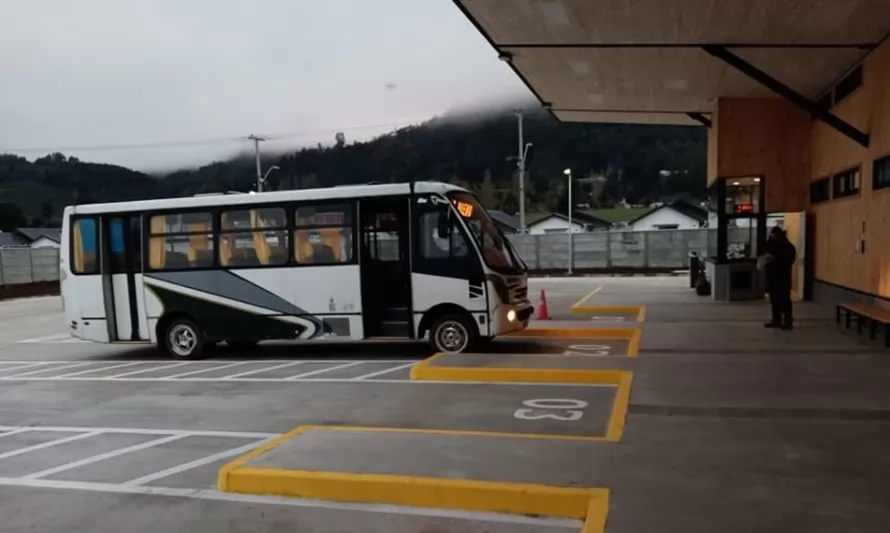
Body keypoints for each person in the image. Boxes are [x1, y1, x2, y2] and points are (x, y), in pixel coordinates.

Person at [761, 226, 797, 329]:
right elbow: (764, 253)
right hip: (772, 277)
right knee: (774, 300)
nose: (773, 237)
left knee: (784, 299)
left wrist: (775, 259)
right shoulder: (771, 245)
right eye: (772, 235)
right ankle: (776, 319)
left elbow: (788, 260)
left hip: (782, 277)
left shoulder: (787, 247)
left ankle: (787, 320)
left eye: (775, 235)